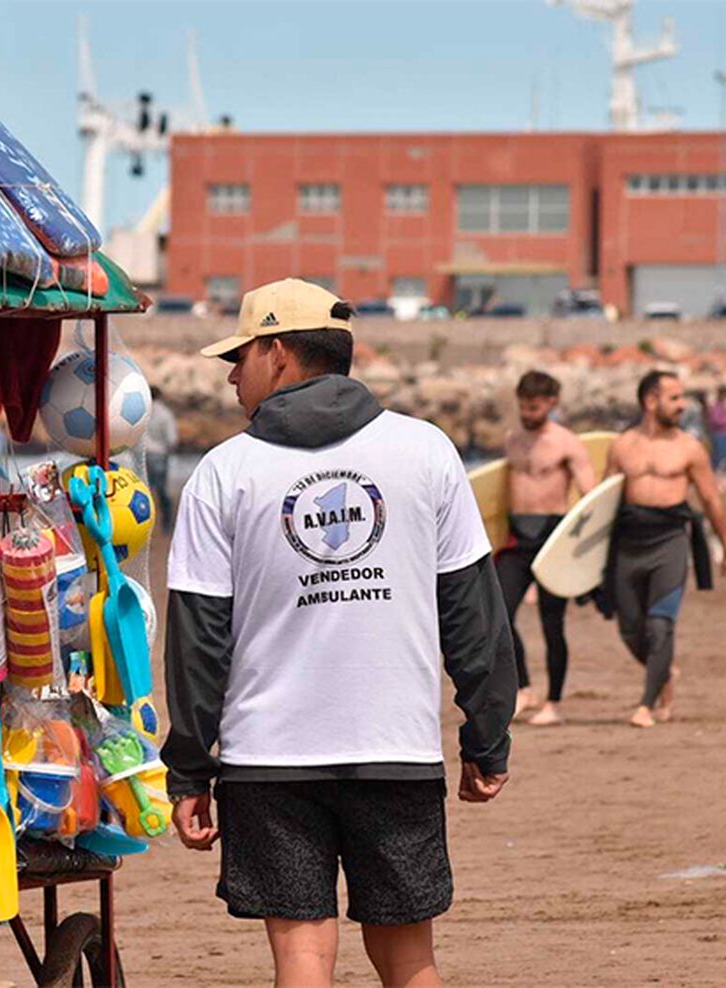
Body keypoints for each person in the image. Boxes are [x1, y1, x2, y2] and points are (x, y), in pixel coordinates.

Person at [162, 278, 515, 988]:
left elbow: (198, 640)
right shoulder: (427, 452)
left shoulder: (223, 474)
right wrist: (488, 734)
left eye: (241, 356)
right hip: (396, 747)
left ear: (278, 352)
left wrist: (190, 768)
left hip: (271, 759)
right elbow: (475, 611)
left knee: (302, 957)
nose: (232, 375)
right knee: (409, 958)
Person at [606, 372, 726, 729]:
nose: (683, 405)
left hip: (669, 542)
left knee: (659, 624)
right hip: (627, 542)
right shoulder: (622, 446)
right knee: (630, 629)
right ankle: (664, 671)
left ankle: (646, 705)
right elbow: (600, 505)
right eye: (675, 398)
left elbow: (711, 499)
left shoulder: (689, 448)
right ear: (651, 401)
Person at [498, 371, 596, 726]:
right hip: (517, 538)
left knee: (552, 624)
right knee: (498, 615)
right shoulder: (513, 440)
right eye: (523, 405)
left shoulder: (566, 442)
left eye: (534, 406)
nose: (527, 412)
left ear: (551, 403)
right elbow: (497, 493)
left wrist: (584, 548)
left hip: (553, 538)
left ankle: (553, 702)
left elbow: (592, 497)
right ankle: (523, 688)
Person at [141, 385, 180, 532]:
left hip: (143, 455)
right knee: (162, 490)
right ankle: (167, 524)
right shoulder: (165, 414)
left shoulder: (141, 411)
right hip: (159, 454)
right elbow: (172, 439)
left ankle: (145, 524)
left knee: (146, 490)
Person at [707, 386, 726, 492]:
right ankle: (717, 482)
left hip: (725, 435)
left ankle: (721, 480)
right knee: (719, 459)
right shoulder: (716, 407)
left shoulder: (722, 406)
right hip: (719, 435)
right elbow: (715, 421)